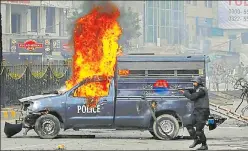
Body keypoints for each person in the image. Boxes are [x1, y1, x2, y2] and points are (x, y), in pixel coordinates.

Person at [179, 76, 210, 150]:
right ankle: (196, 140)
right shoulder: (197, 89)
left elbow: (192, 97)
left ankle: (204, 145)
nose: (193, 83)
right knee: (188, 124)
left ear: (198, 82)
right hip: (197, 111)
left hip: (203, 112)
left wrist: (184, 92)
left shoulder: (201, 90)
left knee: (199, 130)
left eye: (195, 82)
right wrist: (187, 90)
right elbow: (192, 91)